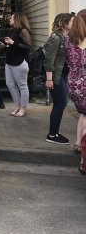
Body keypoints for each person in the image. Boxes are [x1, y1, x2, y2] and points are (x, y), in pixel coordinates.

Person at [44, 13, 74, 144]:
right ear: (64, 23)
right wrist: (49, 79)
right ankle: (52, 135)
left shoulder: (65, 38)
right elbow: (49, 60)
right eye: (72, 21)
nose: (74, 24)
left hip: (62, 75)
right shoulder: (55, 38)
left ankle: (55, 131)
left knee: (60, 103)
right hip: (55, 77)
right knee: (60, 103)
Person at [63, 9, 86, 173]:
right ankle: (84, 160)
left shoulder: (67, 41)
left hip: (72, 83)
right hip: (85, 84)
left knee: (83, 114)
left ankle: (78, 142)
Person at [1, 12, 31, 117]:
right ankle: (17, 106)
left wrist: (13, 43)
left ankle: (23, 108)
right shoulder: (13, 30)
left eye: (12, 18)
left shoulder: (23, 31)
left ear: (17, 19)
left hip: (19, 62)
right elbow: (14, 45)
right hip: (9, 62)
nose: (10, 19)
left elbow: (28, 46)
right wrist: (5, 45)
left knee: (22, 86)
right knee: (10, 85)